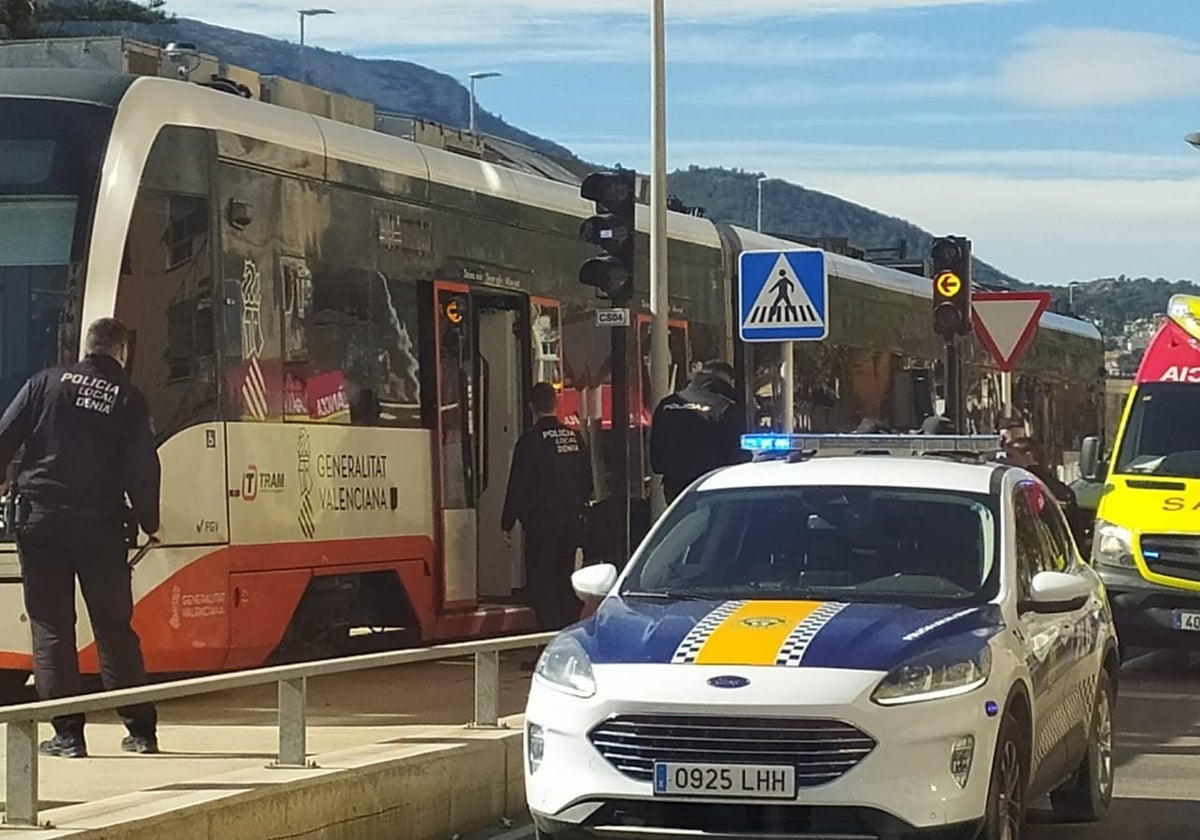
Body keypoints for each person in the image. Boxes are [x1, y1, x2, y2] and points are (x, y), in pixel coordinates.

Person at [0, 318, 161, 758]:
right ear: (121, 352)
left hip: (41, 521)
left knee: (51, 627)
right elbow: (142, 468)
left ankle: (68, 736)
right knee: (114, 628)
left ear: (86, 347)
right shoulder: (129, 398)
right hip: (102, 527)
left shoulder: (44, 384)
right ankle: (141, 731)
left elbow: (4, 438)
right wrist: (151, 521)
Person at [501, 382, 593, 633]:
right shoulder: (574, 437)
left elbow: (518, 484)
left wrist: (507, 522)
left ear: (531, 407)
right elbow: (588, 482)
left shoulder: (530, 442)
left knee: (541, 583)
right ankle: (565, 633)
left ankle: (547, 640)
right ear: (556, 404)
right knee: (563, 579)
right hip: (571, 521)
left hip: (542, 524)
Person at [649, 360, 747, 504]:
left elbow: (656, 455)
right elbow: (737, 452)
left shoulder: (668, 404)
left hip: (675, 483)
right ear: (727, 381)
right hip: (713, 482)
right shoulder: (725, 406)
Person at [1005, 436, 1090, 549]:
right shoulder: (1059, 488)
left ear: (1028, 456)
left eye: (1010, 456)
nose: (1006, 461)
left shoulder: (1026, 486)